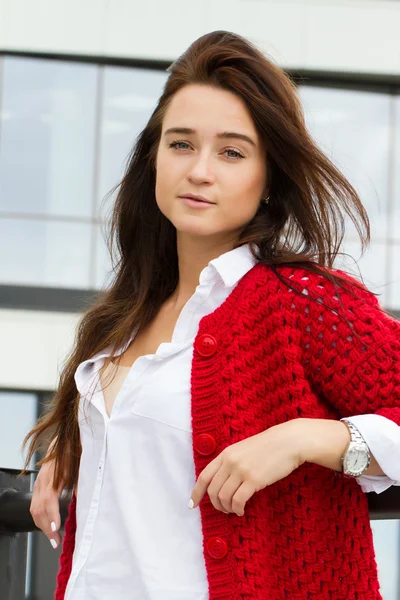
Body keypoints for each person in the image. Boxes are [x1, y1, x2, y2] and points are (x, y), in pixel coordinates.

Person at [22, 30, 400, 600]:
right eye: (180, 144)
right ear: (153, 158)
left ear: (268, 177)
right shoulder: (123, 317)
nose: (200, 171)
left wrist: (304, 438)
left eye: (231, 151)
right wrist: (81, 444)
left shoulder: (302, 303)